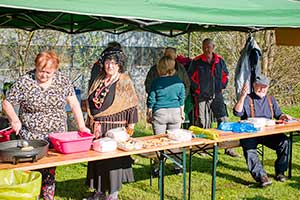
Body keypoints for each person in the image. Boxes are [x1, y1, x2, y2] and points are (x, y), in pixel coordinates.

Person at [2, 51, 90, 200]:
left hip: (55, 137)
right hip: (31, 137)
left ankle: (48, 196)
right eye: (40, 71)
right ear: (35, 67)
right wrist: (14, 119)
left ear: (55, 70)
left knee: (49, 171)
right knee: (31, 170)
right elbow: (6, 102)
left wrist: (81, 126)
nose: (44, 75)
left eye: (48, 73)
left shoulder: (62, 80)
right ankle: (30, 195)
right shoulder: (25, 81)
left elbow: (74, 103)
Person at [86, 47, 138, 200]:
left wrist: (131, 127)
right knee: (98, 160)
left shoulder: (124, 81)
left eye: (114, 63)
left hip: (116, 129)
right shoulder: (99, 79)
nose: (109, 66)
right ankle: (99, 192)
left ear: (119, 65)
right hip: (98, 128)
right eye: (107, 62)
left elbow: (132, 104)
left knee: (113, 162)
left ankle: (113, 195)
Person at [233, 74, 292, 187]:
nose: (262, 89)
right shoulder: (247, 98)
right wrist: (241, 97)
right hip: (250, 134)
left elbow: (278, 114)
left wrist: (283, 116)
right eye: (259, 86)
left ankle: (280, 172)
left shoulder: (270, 99)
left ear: (268, 87)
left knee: (285, 142)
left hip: (268, 133)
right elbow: (237, 113)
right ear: (254, 85)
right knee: (250, 151)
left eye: (264, 87)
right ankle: (261, 177)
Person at [188, 38, 240, 157]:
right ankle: (203, 147)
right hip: (202, 96)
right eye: (204, 47)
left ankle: (228, 147)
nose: (207, 49)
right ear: (202, 47)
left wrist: (222, 86)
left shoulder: (220, 60)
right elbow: (190, 77)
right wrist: (198, 89)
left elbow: (225, 75)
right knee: (203, 122)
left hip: (217, 95)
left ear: (213, 47)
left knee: (224, 120)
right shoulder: (196, 61)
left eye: (209, 46)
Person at [146, 55, 185, 134]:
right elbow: (181, 100)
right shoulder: (179, 82)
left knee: (159, 141)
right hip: (175, 112)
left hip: (160, 113)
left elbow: (151, 99)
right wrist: (182, 113)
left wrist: (149, 113)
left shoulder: (156, 82)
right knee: (174, 140)